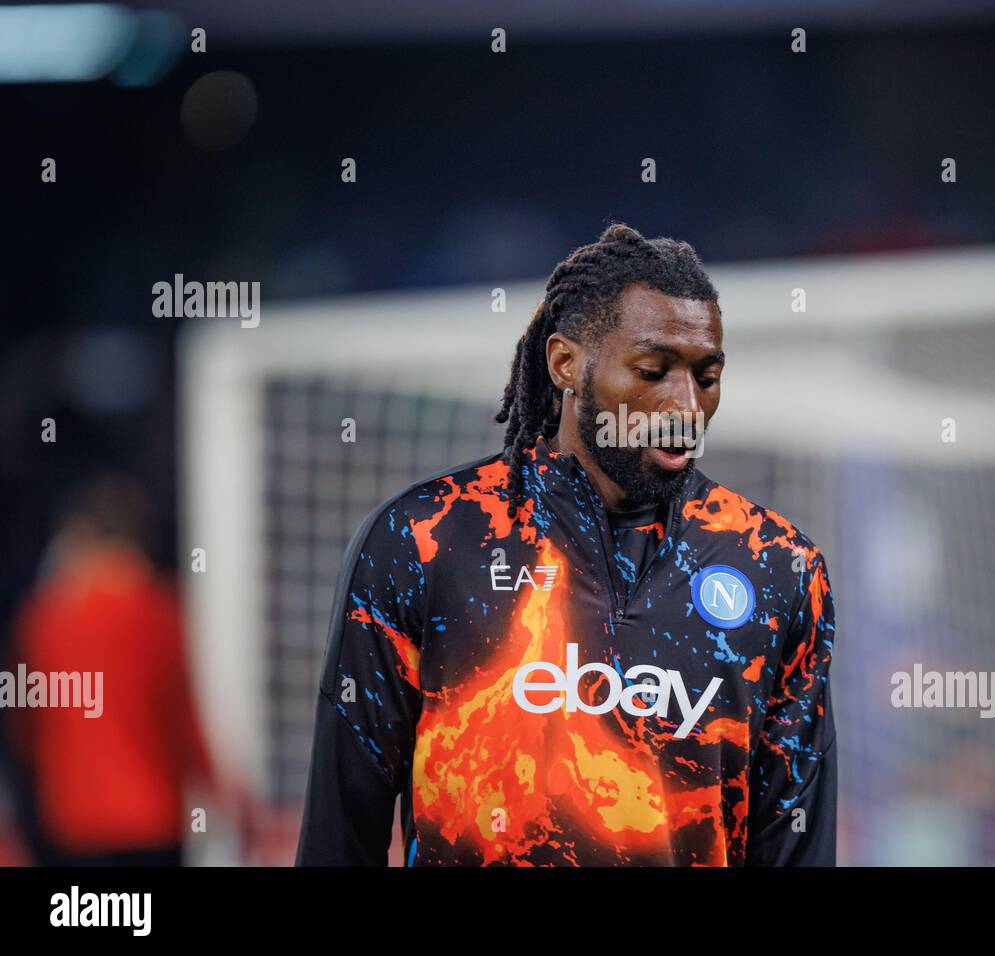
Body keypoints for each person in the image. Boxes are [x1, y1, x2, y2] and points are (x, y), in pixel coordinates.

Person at [297, 223, 837, 866]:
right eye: (654, 370)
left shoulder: (777, 565)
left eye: (707, 376)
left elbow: (796, 845)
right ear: (565, 363)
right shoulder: (426, 538)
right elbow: (341, 833)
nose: (686, 404)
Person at [9, 474, 216, 866]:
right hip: (156, 819)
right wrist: (223, 795)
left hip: (74, 825)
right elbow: (185, 722)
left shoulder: (42, 621)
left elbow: (26, 733)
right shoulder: (162, 612)